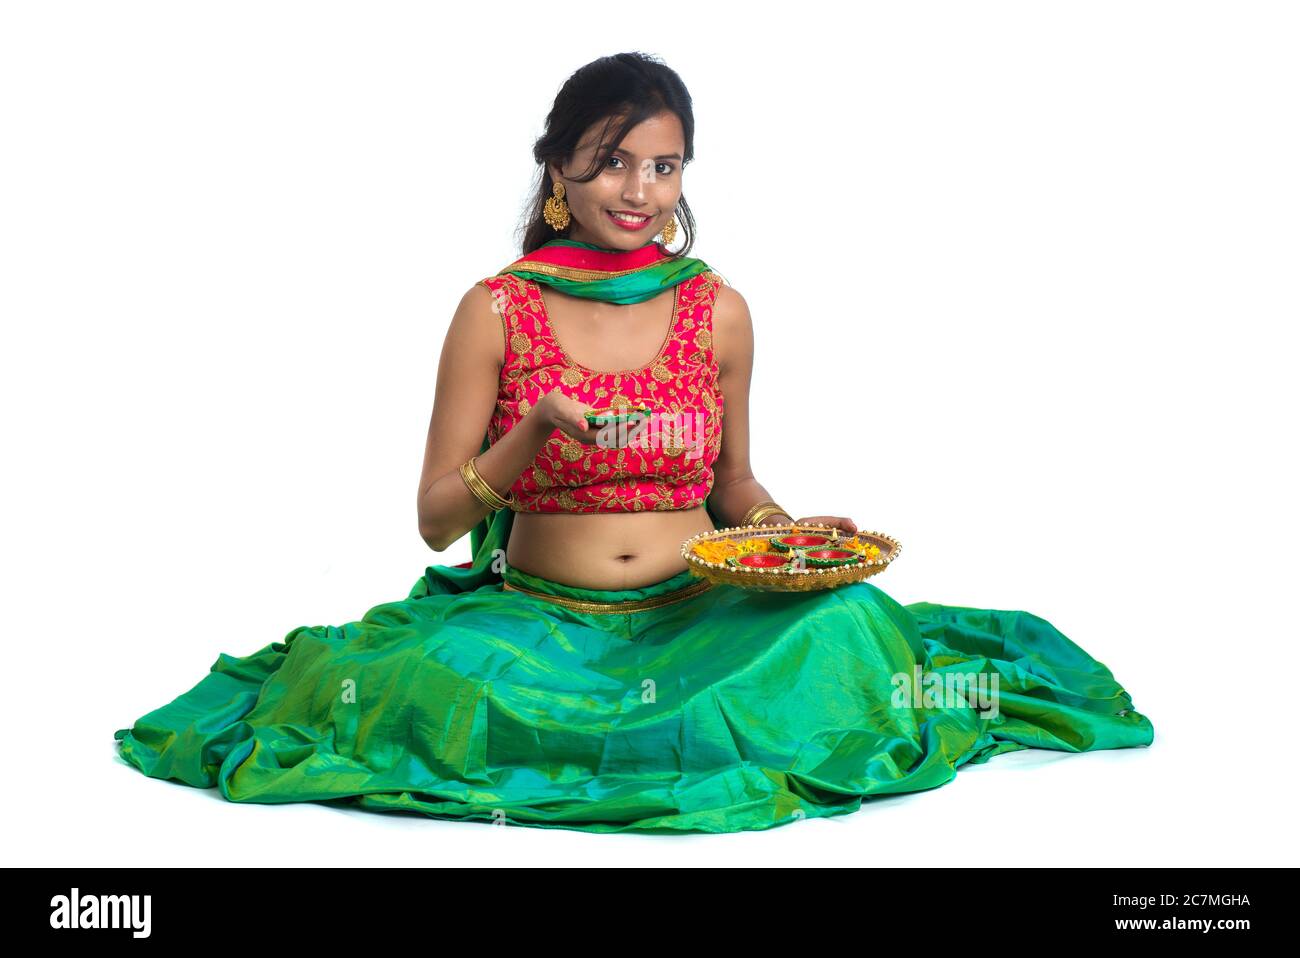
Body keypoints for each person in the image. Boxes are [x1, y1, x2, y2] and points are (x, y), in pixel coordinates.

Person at [113, 52, 1155, 835]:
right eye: (611, 162)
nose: (638, 190)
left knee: (844, 628)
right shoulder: (495, 310)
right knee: (425, 689)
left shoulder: (720, 310)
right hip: (536, 619)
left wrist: (793, 541)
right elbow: (436, 523)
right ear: (559, 168)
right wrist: (529, 433)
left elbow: (735, 482)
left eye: (663, 166)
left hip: (696, 609)